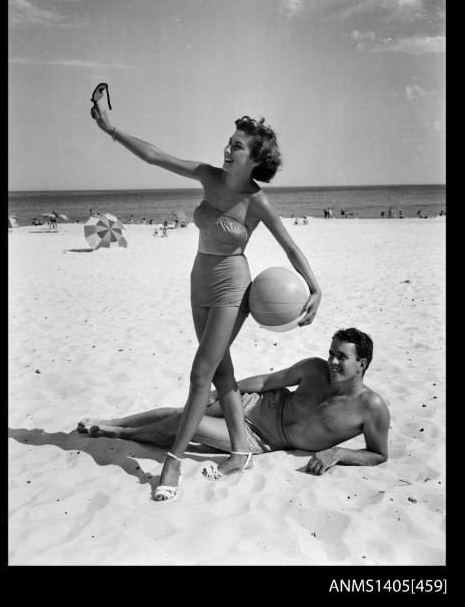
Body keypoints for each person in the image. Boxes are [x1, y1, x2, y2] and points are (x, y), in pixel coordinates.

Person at [90, 103, 322, 501]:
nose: (228, 151)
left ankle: (172, 463)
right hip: (199, 280)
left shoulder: (257, 201)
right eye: (229, 144)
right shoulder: (207, 176)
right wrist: (111, 128)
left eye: (238, 147)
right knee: (220, 372)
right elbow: (156, 156)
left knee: (201, 373)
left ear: (254, 160)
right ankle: (240, 448)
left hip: (232, 285)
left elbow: (290, 246)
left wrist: (315, 288)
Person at [78, 328, 389, 477]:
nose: (332, 361)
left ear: (361, 364)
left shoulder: (371, 407)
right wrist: (226, 393)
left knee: (191, 423)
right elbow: (268, 382)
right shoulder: (313, 368)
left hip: (264, 439)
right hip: (258, 404)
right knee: (186, 411)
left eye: (342, 357)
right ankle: (114, 422)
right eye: (331, 353)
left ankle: (121, 434)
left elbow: (378, 454)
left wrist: (338, 452)